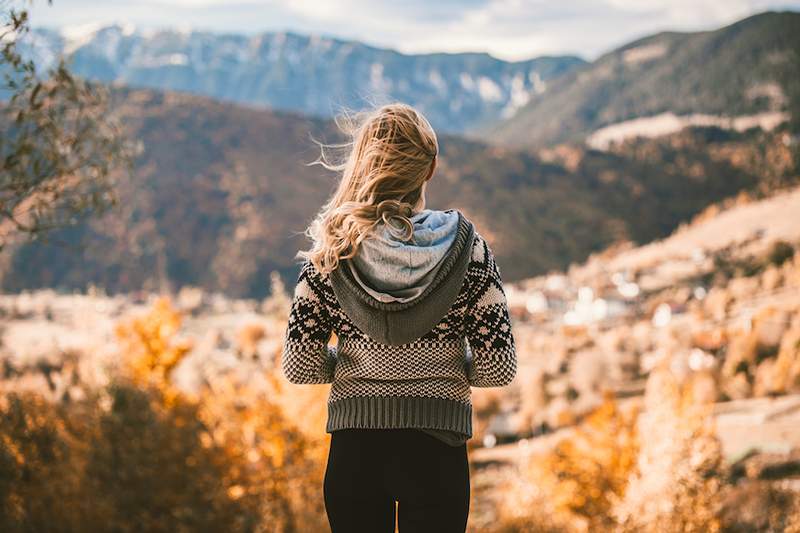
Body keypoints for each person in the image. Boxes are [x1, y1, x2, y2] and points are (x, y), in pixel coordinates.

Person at [280, 102, 517, 532]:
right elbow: (498, 368)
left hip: (354, 452)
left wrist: (359, 370)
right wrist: (440, 370)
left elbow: (299, 364)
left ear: (363, 165)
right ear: (429, 169)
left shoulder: (332, 249)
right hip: (438, 452)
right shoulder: (469, 249)